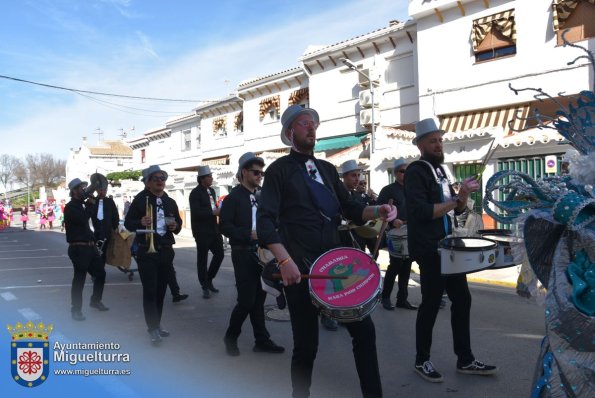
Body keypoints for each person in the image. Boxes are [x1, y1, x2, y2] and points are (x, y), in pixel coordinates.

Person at [258, 104, 397, 398]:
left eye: (314, 123)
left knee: (364, 332)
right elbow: (266, 222)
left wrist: (378, 209)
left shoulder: (327, 169)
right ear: (289, 132)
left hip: (336, 265)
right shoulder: (278, 171)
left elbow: (350, 208)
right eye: (304, 123)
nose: (312, 127)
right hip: (301, 269)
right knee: (306, 346)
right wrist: (284, 261)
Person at [405, 118, 497, 383]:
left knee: (463, 299)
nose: (438, 144)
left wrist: (464, 193)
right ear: (421, 144)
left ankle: (465, 359)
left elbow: (456, 209)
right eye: (432, 140)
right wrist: (456, 198)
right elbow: (421, 212)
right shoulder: (416, 171)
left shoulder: (441, 172)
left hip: (448, 246)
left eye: (440, 140)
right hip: (429, 248)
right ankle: (421, 360)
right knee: (431, 303)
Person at [220, 152, 285, 357]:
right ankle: (231, 336)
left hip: (264, 254)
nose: (259, 176)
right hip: (243, 253)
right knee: (247, 300)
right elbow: (224, 226)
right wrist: (248, 234)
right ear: (244, 172)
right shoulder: (232, 198)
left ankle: (261, 340)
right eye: (256, 172)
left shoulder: (263, 195)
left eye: (261, 173)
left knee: (259, 299)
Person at [125, 165, 182, 344]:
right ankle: (152, 328)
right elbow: (128, 223)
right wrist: (140, 221)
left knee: (161, 291)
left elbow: (178, 224)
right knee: (150, 291)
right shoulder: (140, 200)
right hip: (146, 251)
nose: (160, 181)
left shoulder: (170, 201)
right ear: (148, 182)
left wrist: (176, 226)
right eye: (156, 178)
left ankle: (156, 324)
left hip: (165, 250)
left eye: (163, 178)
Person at [64, 178, 109, 321]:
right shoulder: (71, 207)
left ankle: (95, 301)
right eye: (81, 188)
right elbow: (83, 219)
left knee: (100, 274)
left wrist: (98, 199)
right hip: (78, 248)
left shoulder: (84, 204)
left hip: (90, 247)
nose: (84, 189)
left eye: (84, 187)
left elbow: (95, 217)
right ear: (74, 191)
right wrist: (90, 204)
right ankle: (75, 310)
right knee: (79, 279)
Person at [378, 158, 417, 311]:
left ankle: (402, 299)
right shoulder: (388, 190)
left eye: (407, 171)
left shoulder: (412, 189)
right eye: (402, 171)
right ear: (395, 173)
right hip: (395, 233)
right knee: (395, 265)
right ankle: (385, 297)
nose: (405, 174)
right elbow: (379, 211)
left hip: (410, 231)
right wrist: (392, 221)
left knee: (407, 266)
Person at [189, 165, 225, 299]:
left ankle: (209, 278)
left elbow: (213, 207)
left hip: (214, 230)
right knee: (202, 259)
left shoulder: (212, 191)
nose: (212, 178)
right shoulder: (195, 193)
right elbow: (196, 212)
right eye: (209, 176)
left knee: (220, 254)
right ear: (202, 179)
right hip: (201, 231)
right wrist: (212, 212)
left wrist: (218, 211)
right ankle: (204, 285)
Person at [90, 185, 120, 272]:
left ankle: (100, 271)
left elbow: (115, 215)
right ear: (97, 190)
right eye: (100, 190)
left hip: (107, 231)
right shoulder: (93, 201)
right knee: (95, 253)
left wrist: (115, 227)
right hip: (95, 231)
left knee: (102, 253)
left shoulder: (110, 201)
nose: (102, 191)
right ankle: (96, 270)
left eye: (104, 190)